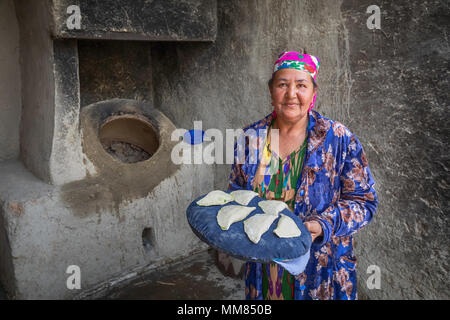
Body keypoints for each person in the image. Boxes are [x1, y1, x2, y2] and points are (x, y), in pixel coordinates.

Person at [227, 51, 378, 300]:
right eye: (282, 84)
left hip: (321, 273)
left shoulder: (337, 138)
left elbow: (364, 201)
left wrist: (323, 225)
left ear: (313, 92)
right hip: (265, 271)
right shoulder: (250, 138)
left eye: (301, 85)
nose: (291, 94)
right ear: (271, 90)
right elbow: (236, 196)